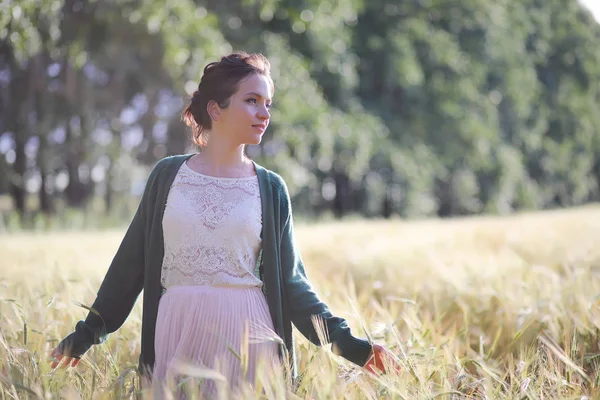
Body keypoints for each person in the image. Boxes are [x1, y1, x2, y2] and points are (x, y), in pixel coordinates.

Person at [50, 51, 399, 397]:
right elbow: (129, 266)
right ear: (216, 109)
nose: (264, 113)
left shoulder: (271, 188)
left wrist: (353, 346)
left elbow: (293, 285)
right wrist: (86, 334)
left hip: (249, 339)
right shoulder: (167, 176)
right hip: (176, 334)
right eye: (252, 100)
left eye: (268, 103)